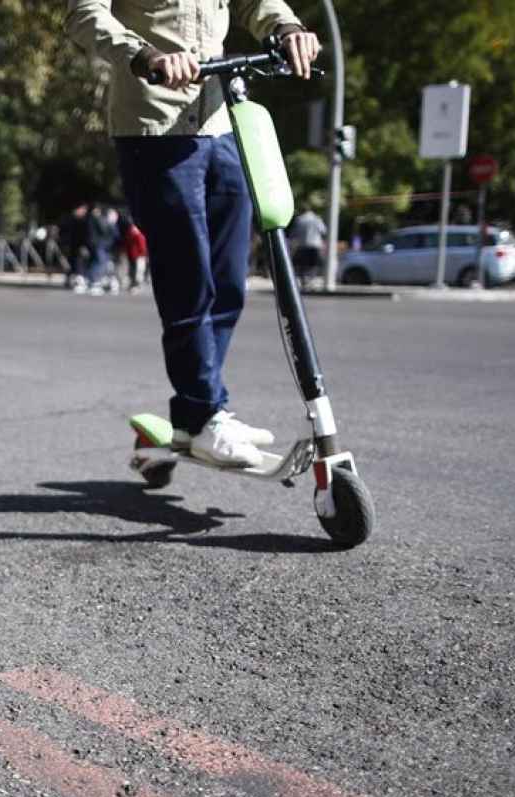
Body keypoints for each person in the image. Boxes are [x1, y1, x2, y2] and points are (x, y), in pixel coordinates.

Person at [66, 0, 320, 467]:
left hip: (218, 122)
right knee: (188, 282)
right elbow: (85, 14)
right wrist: (144, 55)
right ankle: (207, 413)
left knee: (228, 282)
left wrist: (287, 27)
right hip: (154, 129)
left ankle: (195, 413)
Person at [289, 205, 327, 288]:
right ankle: (311, 279)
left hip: (303, 245)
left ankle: (304, 281)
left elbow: (294, 233)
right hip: (315, 245)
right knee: (314, 264)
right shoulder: (317, 219)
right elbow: (323, 231)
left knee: (303, 265)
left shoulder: (299, 219)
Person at [124, 217, 149, 292]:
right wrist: (144, 253)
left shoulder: (130, 231)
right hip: (138, 254)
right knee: (138, 270)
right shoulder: (137, 232)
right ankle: (135, 285)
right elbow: (141, 244)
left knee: (134, 269)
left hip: (133, 254)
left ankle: (133, 284)